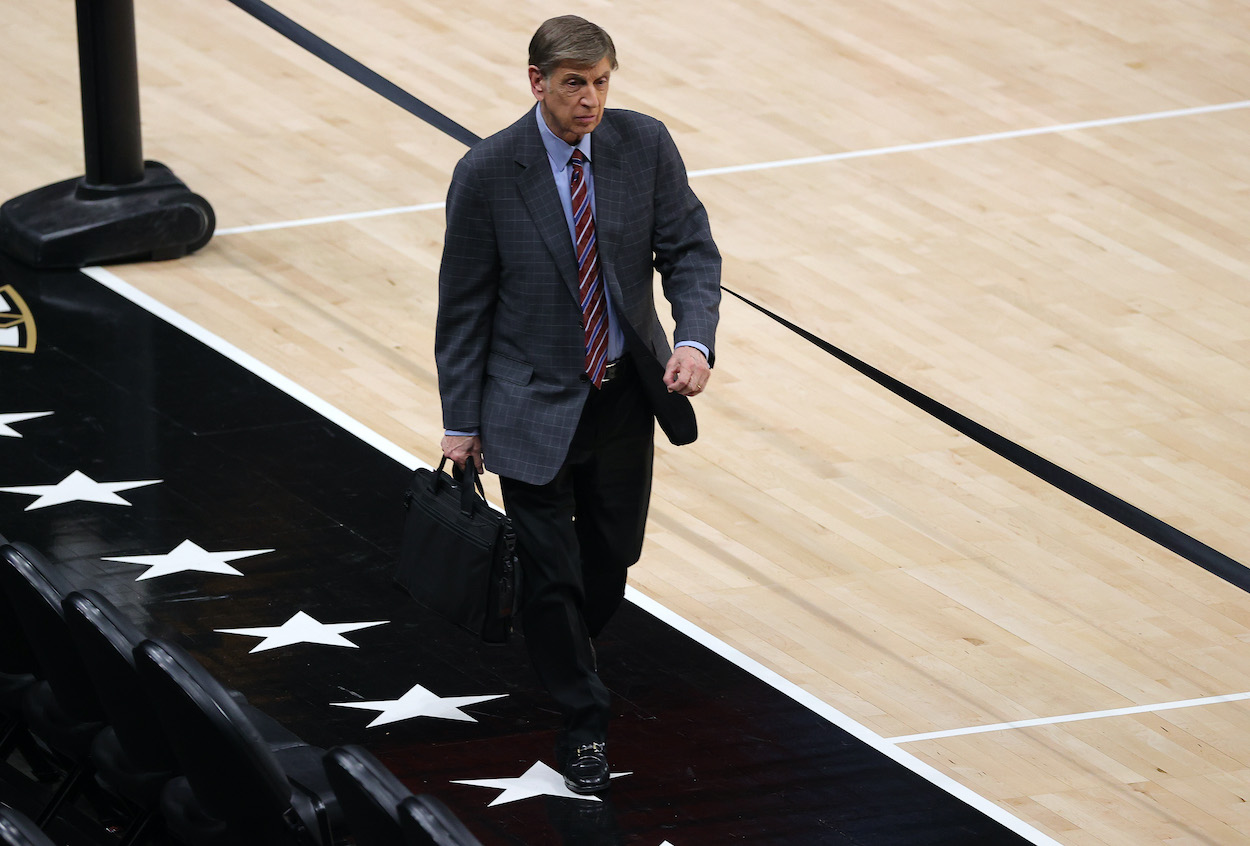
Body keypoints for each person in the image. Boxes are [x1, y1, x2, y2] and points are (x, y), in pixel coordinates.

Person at [435, 14, 721, 794]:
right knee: (551, 574)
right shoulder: (488, 171)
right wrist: (461, 423)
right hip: (526, 405)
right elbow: (463, 307)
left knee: (610, 558)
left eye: (600, 83)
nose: (590, 99)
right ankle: (583, 720)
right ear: (537, 83)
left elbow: (690, 250)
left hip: (626, 395)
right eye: (573, 85)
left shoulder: (645, 145)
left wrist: (693, 341)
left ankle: (564, 654)